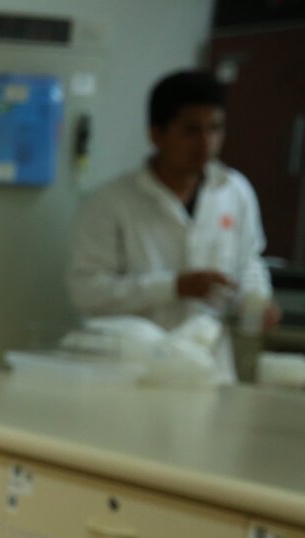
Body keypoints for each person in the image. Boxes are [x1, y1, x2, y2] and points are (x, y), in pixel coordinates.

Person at [68, 70, 281, 383]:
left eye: (215, 129)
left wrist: (257, 300)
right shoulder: (110, 202)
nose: (206, 143)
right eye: (191, 130)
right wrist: (174, 286)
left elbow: (249, 260)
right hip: (132, 370)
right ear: (156, 134)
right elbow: (87, 292)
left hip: (210, 369)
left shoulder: (235, 192)